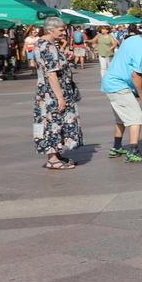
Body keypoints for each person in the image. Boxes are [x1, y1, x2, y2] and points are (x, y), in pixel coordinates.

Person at [100, 20, 142, 163]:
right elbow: (136, 76)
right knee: (135, 116)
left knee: (121, 118)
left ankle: (116, 147)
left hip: (110, 82)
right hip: (118, 84)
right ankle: (133, 151)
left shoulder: (132, 39)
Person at [32, 16, 82, 169]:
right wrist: (60, 97)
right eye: (61, 30)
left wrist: (64, 58)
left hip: (45, 91)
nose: (64, 33)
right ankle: (53, 159)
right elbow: (51, 74)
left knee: (53, 122)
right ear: (50, 29)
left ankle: (56, 155)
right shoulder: (49, 47)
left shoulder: (41, 43)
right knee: (53, 123)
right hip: (53, 93)